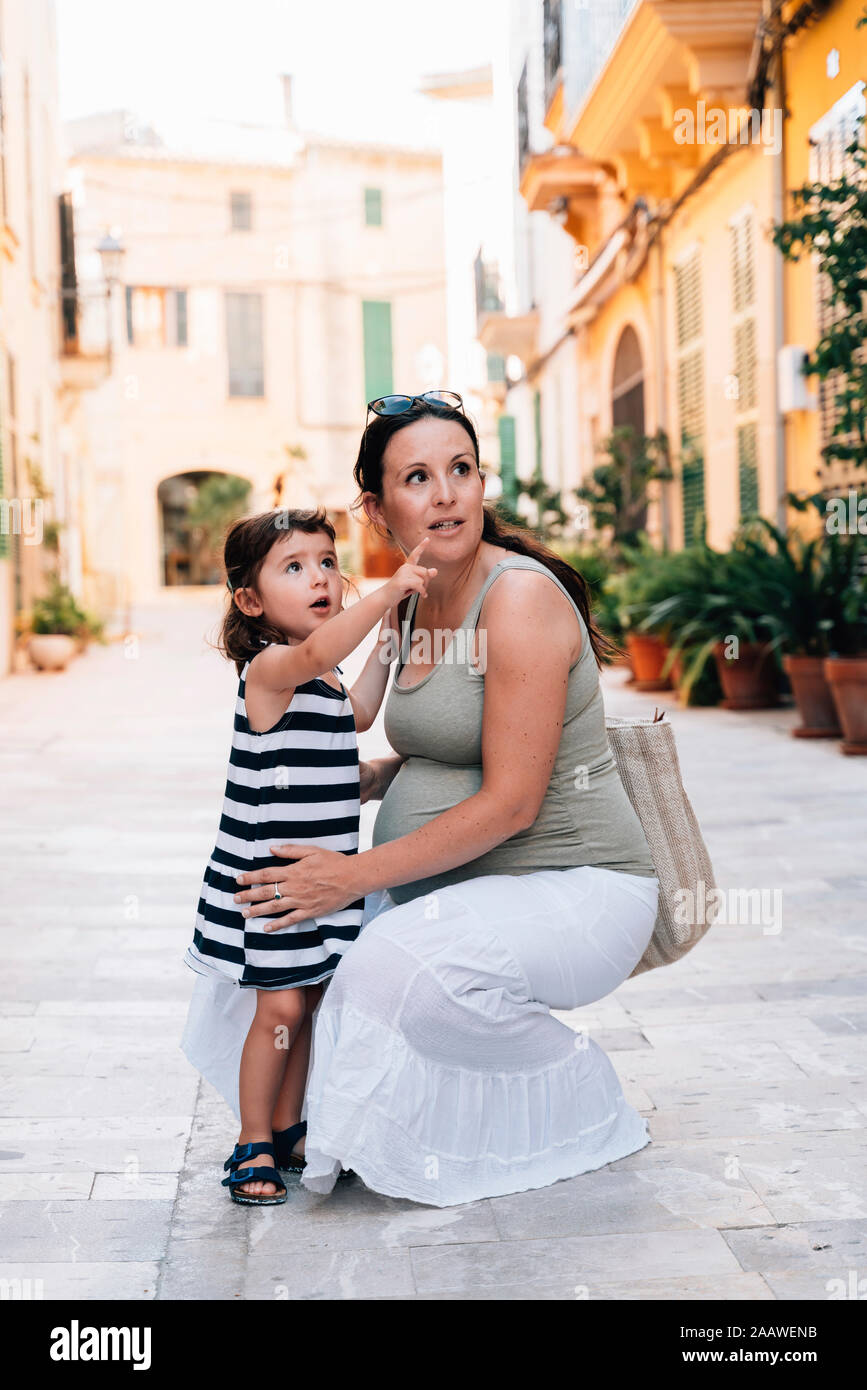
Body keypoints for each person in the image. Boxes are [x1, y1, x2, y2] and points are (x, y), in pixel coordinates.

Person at [233, 392, 660, 1208]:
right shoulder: (418, 593)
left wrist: (351, 876)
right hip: (462, 887)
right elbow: (444, 735)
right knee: (273, 938)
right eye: (417, 477)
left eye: (460, 470)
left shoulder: (519, 598)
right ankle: (285, 1130)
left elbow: (510, 804)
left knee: (387, 971)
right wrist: (373, 777)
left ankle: (574, 1092)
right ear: (376, 506)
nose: (446, 494)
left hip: (582, 887)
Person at [182, 506, 435, 1204]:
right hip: (274, 884)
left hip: (321, 884)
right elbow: (319, 655)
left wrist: (388, 638)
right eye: (294, 567)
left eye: (327, 562)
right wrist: (388, 589)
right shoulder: (271, 669)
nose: (320, 578)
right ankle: (250, 1141)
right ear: (251, 600)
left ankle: (289, 1128)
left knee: (311, 1003)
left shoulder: (319, 684)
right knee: (280, 1012)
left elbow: (355, 713)